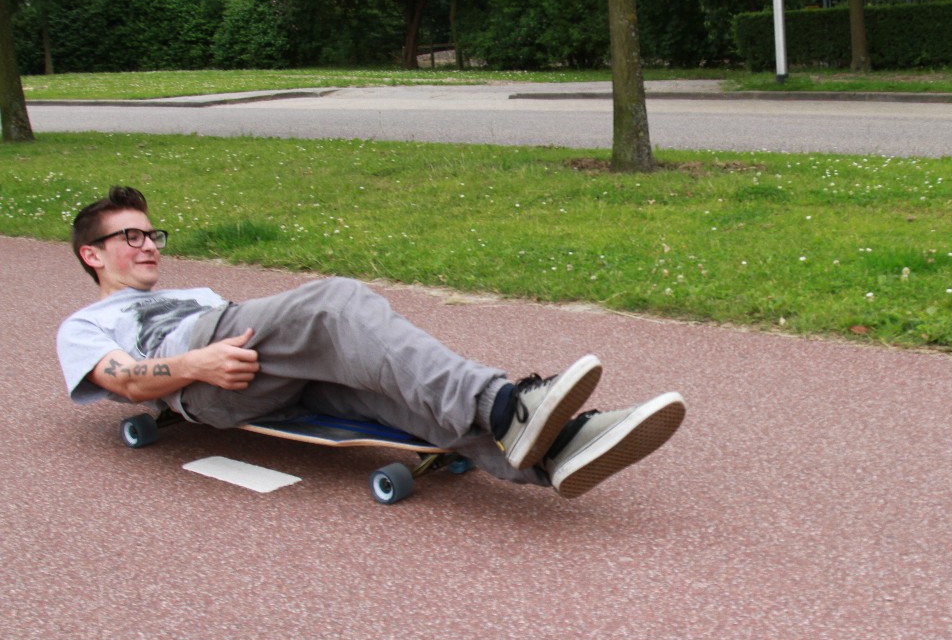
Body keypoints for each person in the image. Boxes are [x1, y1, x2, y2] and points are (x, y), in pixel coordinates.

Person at [56, 187, 685, 498]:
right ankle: (505, 405)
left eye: (152, 235)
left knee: (391, 390)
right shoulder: (85, 324)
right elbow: (124, 381)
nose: (148, 245)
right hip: (204, 378)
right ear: (92, 254)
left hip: (253, 362)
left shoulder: (197, 292)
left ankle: (556, 452)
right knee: (336, 301)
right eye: (131, 237)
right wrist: (195, 363)